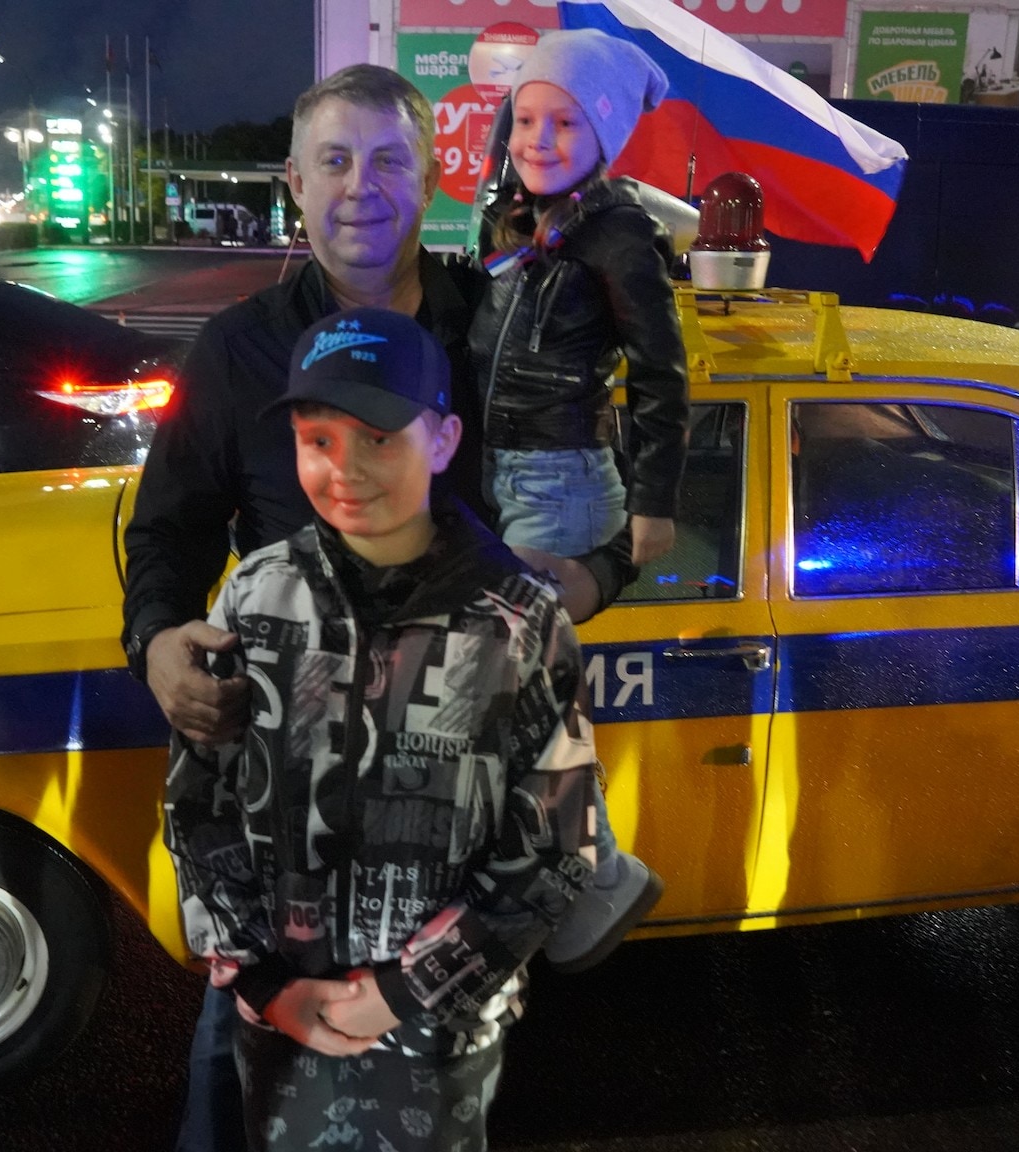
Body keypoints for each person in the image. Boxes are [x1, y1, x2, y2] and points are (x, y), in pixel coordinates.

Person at [120, 65, 639, 1152]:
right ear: (295, 182)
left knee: (445, 1099)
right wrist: (159, 638)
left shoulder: (507, 320)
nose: (362, 186)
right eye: (335, 160)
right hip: (285, 818)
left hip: (452, 821)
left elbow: (616, 466)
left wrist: (596, 575)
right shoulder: (239, 350)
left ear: (433, 174)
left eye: (390, 159)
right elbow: (166, 530)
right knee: (232, 1106)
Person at [163, 306, 596, 1152]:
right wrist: (262, 980)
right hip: (281, 1016)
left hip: (440, 1029)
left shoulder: (518, 623)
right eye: (317, 439)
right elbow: (198, 804)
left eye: (378, 438)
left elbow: (557, 846)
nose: (345, 469)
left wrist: (405, 990)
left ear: (443, 441)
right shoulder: (256, 597)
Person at [467, 28, 689, 967]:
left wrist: (653, 503)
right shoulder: (516, 218)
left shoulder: (617, 231)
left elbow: (662, 373)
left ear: (604, 134)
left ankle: (597, 877)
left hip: (559, 486)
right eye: (526, 119)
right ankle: (568, 874)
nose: (539, 138)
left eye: (565, 122)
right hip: (498, 478)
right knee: (509, 693)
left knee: (508, 693)